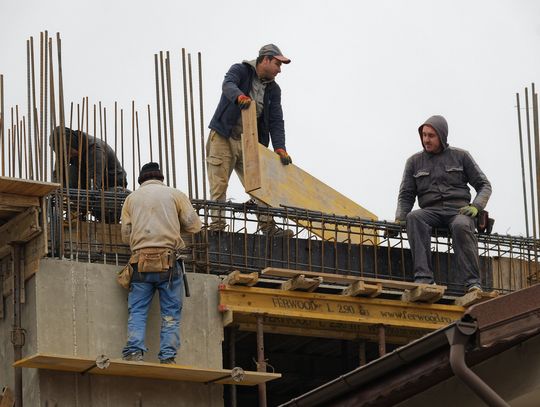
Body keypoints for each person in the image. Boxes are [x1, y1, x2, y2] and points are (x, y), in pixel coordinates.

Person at [394, 115, 492, 292]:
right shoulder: (414, 162)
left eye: (431, 135)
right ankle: (424, 279)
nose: (426, 140)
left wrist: (476, 207)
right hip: (431, 211)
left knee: (462, 226)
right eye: (424, 135)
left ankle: (473, 284)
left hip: (458, 211)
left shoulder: (461, 156)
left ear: (442, 136)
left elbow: (484, 185)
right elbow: (406, 195)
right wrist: (400, 218)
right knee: (414, 217)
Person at [207, 44, 293, 236]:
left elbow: (276, 119)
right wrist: (239, 97)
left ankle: (269, 228)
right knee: (219, 185)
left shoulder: (274, 90)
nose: (280, 70)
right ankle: (217, 229)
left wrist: (280, 147)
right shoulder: (240, 70)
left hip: (250, 141)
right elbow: (228, 85)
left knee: (260, 185)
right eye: (277, 64)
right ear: (265, 60)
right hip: (224, 136)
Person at [121, 162, 202, 364]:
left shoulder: (131, 199)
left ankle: (134, 353)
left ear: (141, 180)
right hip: (168, 263)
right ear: (161, 178)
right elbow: (194, 226)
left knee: (138, 310)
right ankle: (167, 357)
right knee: (170, 313)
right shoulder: (175, 195)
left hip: (140, 263)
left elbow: (125, 235)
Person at [50, 126, 128, 222]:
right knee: (70, 172)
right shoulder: (64, 150)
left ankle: (101, 215)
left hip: (110, 185)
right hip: (87, 181)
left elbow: (93, 185)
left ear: (73, 143)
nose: (68, 156)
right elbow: (57, 176)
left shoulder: (95, 149)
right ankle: (78, 210)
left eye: (69, 152)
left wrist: (79, 208)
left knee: (99, 203)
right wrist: (55, 193)